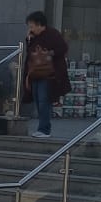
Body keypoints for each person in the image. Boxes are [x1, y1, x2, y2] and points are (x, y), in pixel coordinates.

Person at [23, 11, 70, 139]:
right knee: (38, 99)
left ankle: (44, 129)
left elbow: (63, 48)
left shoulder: (53, 34)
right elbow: (30, 53)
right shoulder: (34, 37)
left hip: (49, 74)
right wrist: (29, 40)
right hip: (35, 72)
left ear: (39, 24)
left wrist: (50, 54)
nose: (31, 29)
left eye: (32, 26)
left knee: (44, 100)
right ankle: (42, 127)